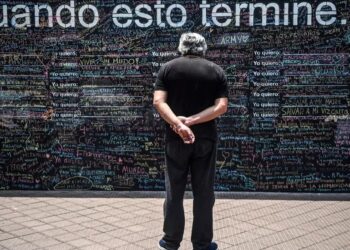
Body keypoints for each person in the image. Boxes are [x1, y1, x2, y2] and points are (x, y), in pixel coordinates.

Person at [153, 32, 228, 250]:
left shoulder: (167, 69)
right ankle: (202, 244)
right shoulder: (216, 71)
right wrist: (193, 121)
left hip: (175, 139)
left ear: (181, 47)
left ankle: (170, 242)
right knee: (204, 192)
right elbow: (222, 106)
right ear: (203, 48)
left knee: (174, 191)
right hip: (205, 139)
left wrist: (179, 124)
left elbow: (158, 102)